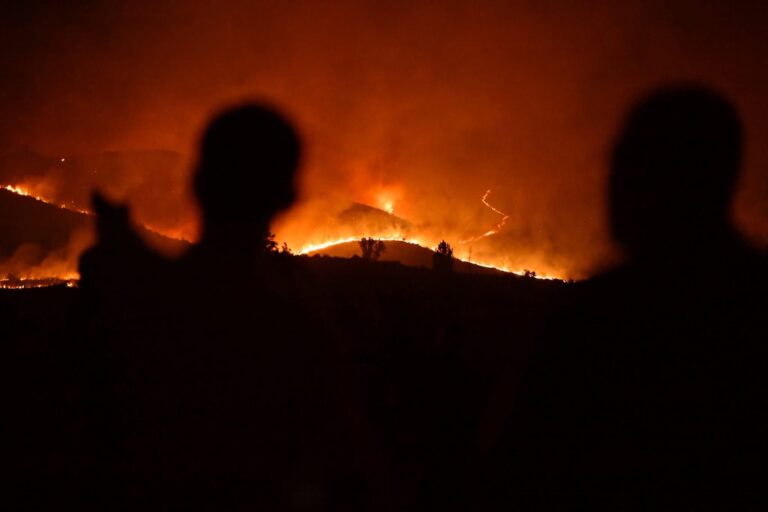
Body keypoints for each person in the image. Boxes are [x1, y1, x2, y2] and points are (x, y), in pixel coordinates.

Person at [77, 104, 381, 510]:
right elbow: (348, 473)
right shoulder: (299, 334)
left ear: (197, 184)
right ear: (288, 197)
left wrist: (121, 261)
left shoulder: (135, 312)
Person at [481, 86, 768, 509]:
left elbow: (521, 468)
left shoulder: (599, 319)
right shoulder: (751, 302)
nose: (610, 184)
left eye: (625, 164)